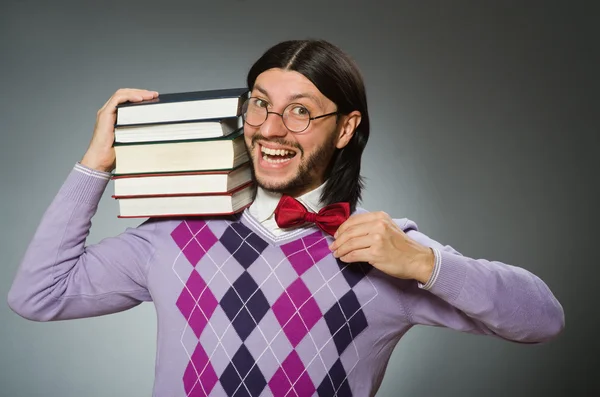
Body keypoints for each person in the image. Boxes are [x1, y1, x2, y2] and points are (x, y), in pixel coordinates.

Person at [7, 39, 564, 397]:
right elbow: (38, 295)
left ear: (345, 129)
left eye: (301, 111)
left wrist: (426, 262)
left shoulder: (387, 250)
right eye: (260, 103)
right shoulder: (176, 233)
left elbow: (543, 320)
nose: (271, 128)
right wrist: (94, 166)